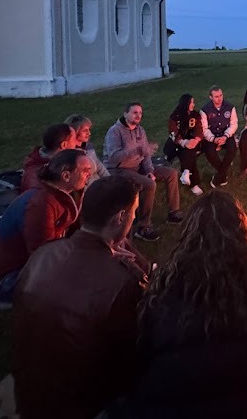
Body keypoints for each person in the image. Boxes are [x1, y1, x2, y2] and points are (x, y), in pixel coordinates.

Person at [109, 191, 247, 419]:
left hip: (175, 406)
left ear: (189, 234)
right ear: (243, 233)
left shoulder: (163, 287)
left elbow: (142, 352)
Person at [12, 176, 149, 419]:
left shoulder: (43, 255)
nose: (134, 218)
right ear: (120, 217)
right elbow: (136, 355)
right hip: (82, 406)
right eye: (134, 212)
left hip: (29, 396)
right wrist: (143, 281)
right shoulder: (122, 283)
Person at [0, 149, 91, 310]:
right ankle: (0, 300)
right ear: (66, 176)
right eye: (85, 171)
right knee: (76, 290)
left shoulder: (68, 193)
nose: (89, 174)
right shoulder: (41, 204)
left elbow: (78, 229)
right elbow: (42, 256)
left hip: (35, 261)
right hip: (7, 278)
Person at [104, 102, 183, 242]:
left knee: (171, 173)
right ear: (125, 114)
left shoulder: (140, 130)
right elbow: (113, 158)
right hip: (120, 169)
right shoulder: (115, 131)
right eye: (135, 112)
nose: (138, 115)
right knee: (149, 185)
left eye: (140, 113)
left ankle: (173, 212)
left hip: (139, 166)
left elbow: (146, 154)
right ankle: (143, 227)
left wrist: (150, 170)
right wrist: (133, 151)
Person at [19, 123, 76, 193]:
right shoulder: (42, 176)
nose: (76, 144)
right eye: (74, 139)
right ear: (64, 145)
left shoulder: (39, 159)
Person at [166, 94, 205, 196]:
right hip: (179, 143)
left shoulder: (195, 115)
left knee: (190, 150)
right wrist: (183, 142)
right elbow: (173, 132)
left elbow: (199, 130)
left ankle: (186, 173)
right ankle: (193, 183)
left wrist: (195, 140)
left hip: (193, 140)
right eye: (191, 102)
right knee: (187, 153)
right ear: (185, 103)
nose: (193, 104)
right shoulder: (175, 117)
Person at [200, 86, 238, 188]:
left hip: (226, 133)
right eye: (216, 96)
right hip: (212, 135)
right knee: (209, 152)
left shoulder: (230, 107)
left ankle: (219, 176)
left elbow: (234, 124)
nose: (219, 98)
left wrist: (226, 136)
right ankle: (223, 174)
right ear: (210, 97)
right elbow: (204, 129)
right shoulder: (204, 110)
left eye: (221, 95)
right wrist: (213, 139)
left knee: (232, 148)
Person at [64, 113, 110, 185]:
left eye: (89, 130)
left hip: (101, 184)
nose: (89, 133)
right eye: (85, 130)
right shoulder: (73, 154)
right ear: (75, 131)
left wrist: (110, 180)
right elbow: (86, 180)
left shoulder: (88, 147)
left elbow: (100, 166)